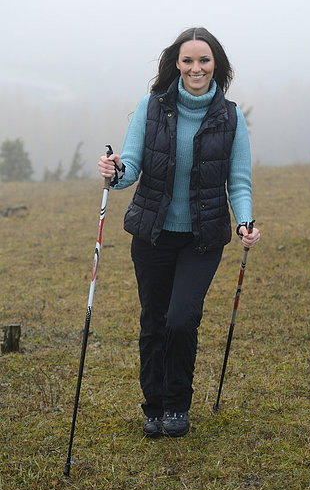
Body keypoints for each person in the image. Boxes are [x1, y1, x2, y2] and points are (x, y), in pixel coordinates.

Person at [98, 27, 260, 438]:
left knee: (182, 320)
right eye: (187, 60)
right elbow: (130, 168)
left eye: (203, 60)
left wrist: (244, 221)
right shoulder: (150, 107)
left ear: (216, 65)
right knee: (154, 321)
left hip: (201, 238)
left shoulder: (231, 116)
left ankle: (177, 404)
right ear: (175, 64)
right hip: (152, 236)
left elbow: (238, 181)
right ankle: (153, 407)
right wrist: (115, 173)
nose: (195, 68)